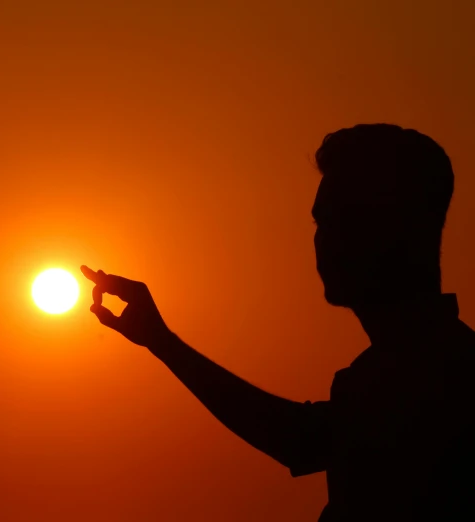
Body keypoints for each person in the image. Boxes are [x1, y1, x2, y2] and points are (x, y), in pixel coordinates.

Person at [82, 123, 475, 522]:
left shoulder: (443, 380)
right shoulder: (391, 375)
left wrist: (162, 341)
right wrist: (159, 339)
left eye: (346, 219)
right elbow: (301, 437)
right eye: (320, 222)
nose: (324, 240)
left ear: (404, 227)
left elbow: (300, 438)